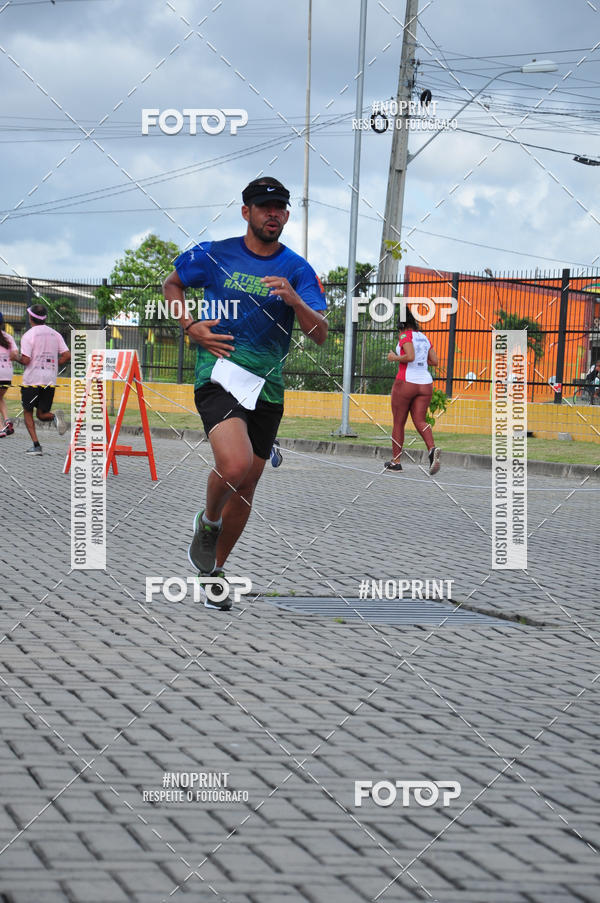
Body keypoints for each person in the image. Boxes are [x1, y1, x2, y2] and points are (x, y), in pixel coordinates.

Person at [163, 176, 328, 610]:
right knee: (233, 465)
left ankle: (212, 573)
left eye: (280, 207)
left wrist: (295, 300)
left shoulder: (297, 269)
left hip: (266, 388)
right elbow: (171, 284)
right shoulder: (215, 253)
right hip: (218, 375)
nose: (273, 213)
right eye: (264, 206)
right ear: (246, 212)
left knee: (247, 485)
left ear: (287, 215)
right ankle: (208, 521)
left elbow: (321, 334)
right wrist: (189, 326)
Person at [385, 310, 440, 476]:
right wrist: (418, 361)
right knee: (420, 420)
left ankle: (396, 462)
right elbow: (434, 361)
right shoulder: (424, 337)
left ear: (401, 325)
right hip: (425, 383)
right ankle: (432, 449)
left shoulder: (404, 336)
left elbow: (409, 356)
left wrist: (394, 357)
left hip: (406, 382)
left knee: (399, 422)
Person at [16, 303, 70, 455]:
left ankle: (36, 446)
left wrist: (16, 357)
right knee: (42, 413)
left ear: (31, 317)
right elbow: (67, 355)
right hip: (50, 379)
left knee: (28, 411)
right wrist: (54, 365)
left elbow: (26, 360)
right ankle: (55, 417)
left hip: (32, 380)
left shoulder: (29, 335)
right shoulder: (55, 334)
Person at [0, 311, 19, 438]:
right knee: (0, 399)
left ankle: (1, 429)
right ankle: (7, 420)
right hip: (7, 373)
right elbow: (14, 354)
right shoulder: (8, 337)